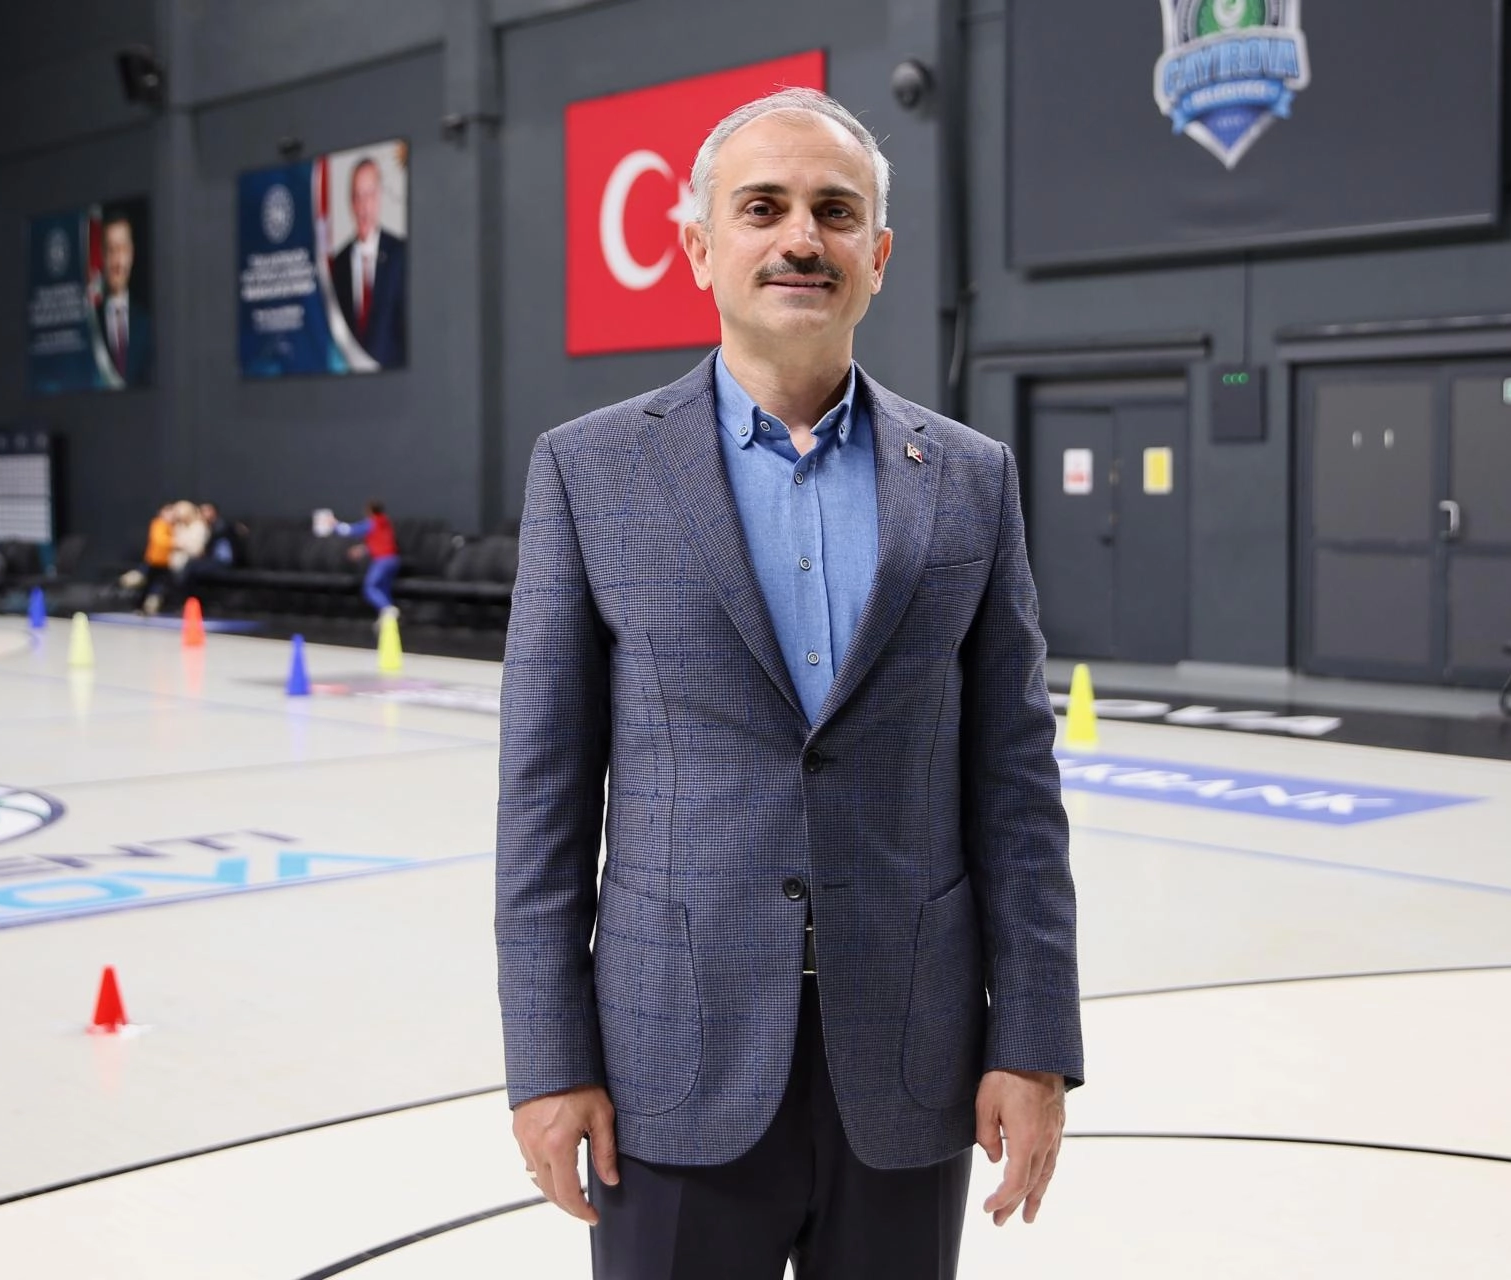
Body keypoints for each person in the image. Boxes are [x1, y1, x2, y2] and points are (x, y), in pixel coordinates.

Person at [496, 88, 1082, 1280]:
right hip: (668, 1061)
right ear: (699, 247)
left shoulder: (970, 479)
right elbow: (543, 798)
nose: (801, 238)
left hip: (909, 1059)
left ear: (879, 254)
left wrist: (1032, 1040)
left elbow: (1017, 789)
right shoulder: (589, 472)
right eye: (762, 208)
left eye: (835, 211)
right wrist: (549, 1060)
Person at [327, 157, 407, 368]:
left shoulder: (400, 254)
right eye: (357, 196)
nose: (364, 205)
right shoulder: (338, 264)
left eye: (369, 195)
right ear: (351, 202)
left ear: (379, 196)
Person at [94, 213, 152, 385]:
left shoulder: (148, 322)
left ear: (131, 253)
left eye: (123, 249)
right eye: (111, 250)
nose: (118, 261)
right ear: (102, 256)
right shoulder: (91, 322)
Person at [337, 500, 400, 627]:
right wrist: (362, 549)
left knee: (370, 587)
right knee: (383, 589)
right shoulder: (385, 522)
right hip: (393, 560)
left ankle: (388, 609)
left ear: (370, 510)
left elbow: (349, 530)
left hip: (383, 561)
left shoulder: (372, 523)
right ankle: (387, 620)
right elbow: (380, 541)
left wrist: (333, 523)